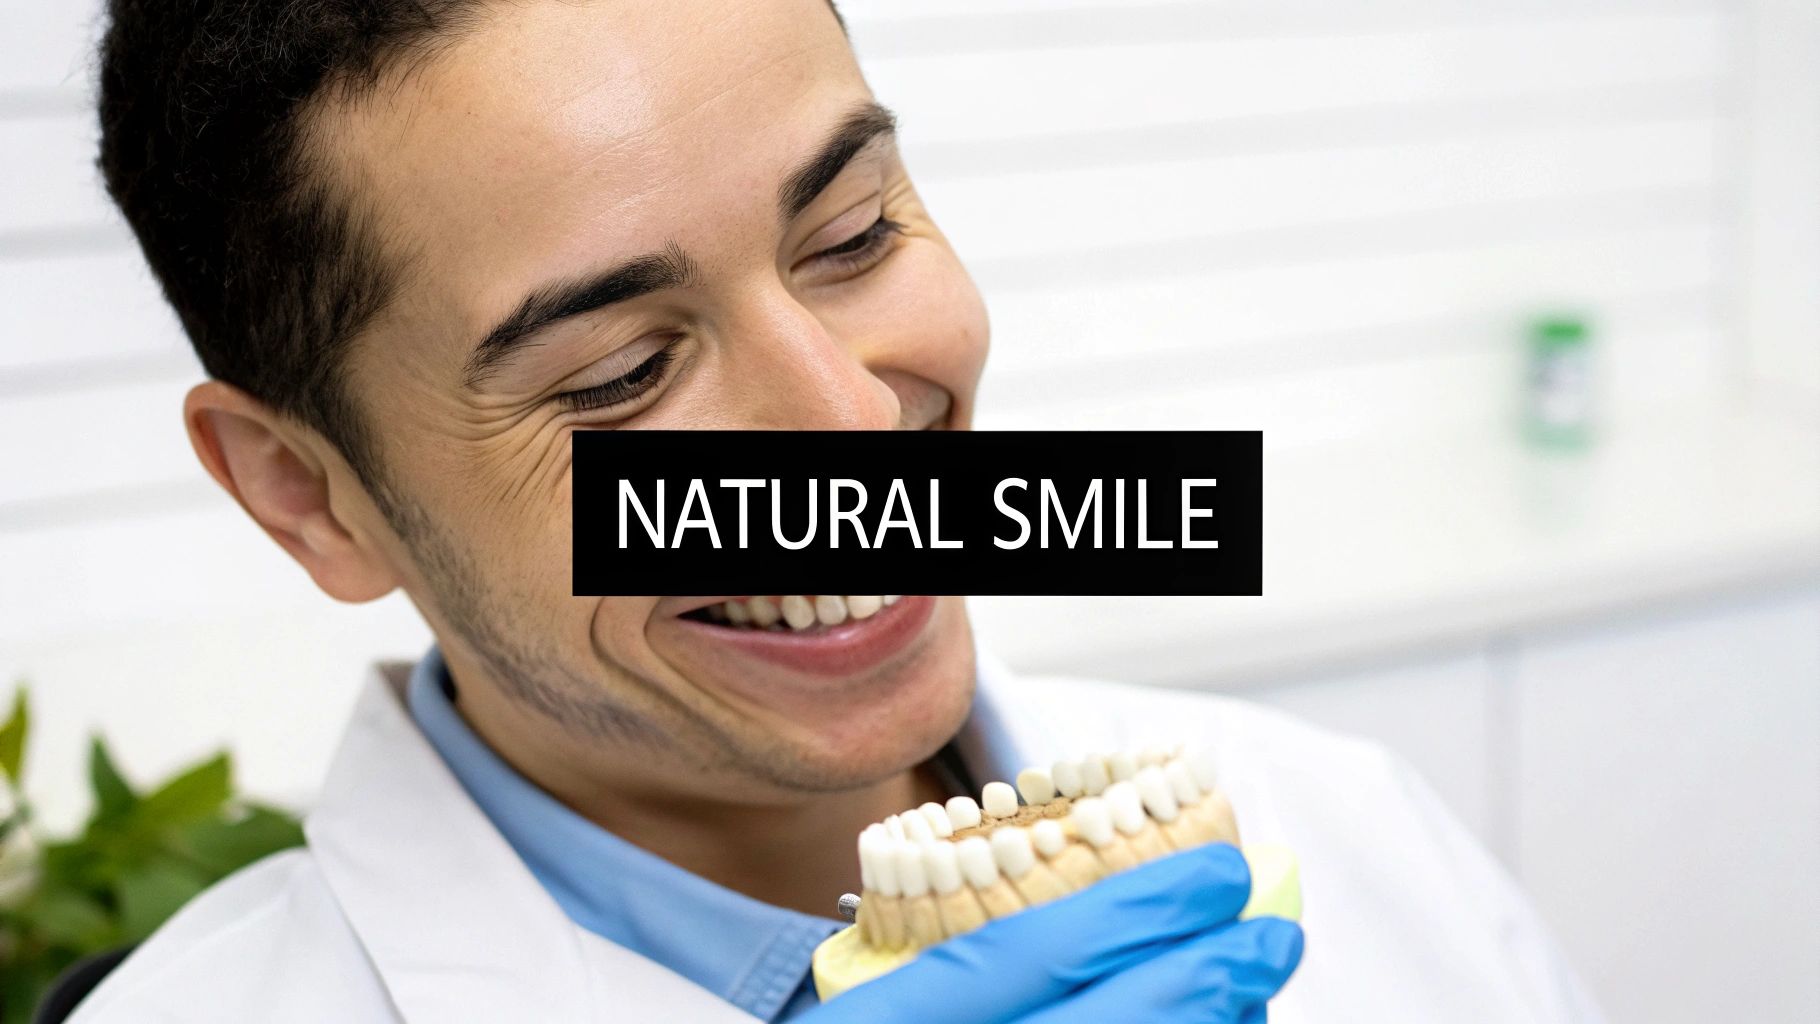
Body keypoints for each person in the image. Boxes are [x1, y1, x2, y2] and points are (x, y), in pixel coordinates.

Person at [70, 0, 1605, 1020]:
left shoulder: (1346, 827)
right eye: (616, 372)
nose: (847, 416)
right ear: (309, 497)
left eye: (854, 233)